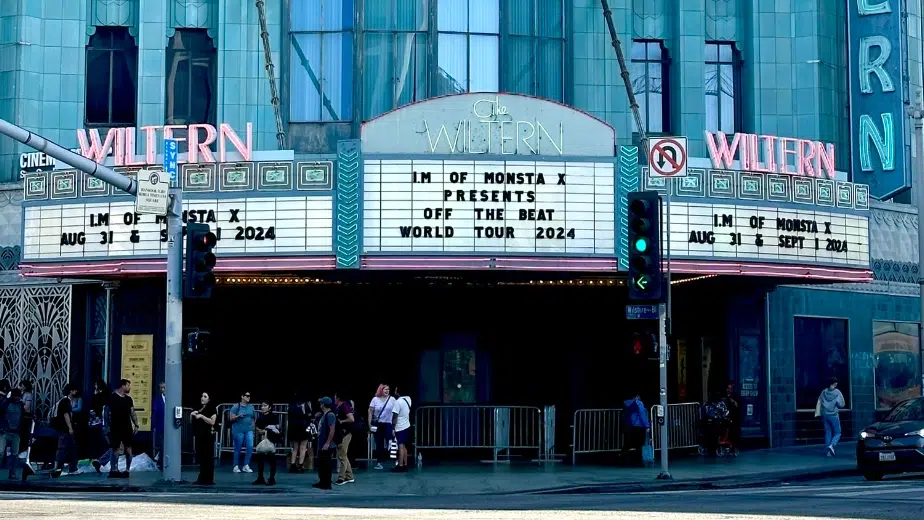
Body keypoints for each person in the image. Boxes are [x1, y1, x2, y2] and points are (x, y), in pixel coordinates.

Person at [108, 379, 139, 478]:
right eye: (128, 386)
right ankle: (114, 469)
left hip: (127, 427)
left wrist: (136, 424)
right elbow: (107, 412)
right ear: (123, 386)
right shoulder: (112, 397)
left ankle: (127, 469)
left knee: (128, 449)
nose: (129, 388)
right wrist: (106, 426)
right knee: (115, 449)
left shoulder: (128, 399)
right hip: (115, 426)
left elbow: (132, 412)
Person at [52, 383, 79, 477]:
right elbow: (66, 415)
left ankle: (72, 468)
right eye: (74, 390)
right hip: (65, 429)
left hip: (64, 428)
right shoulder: (66, 401)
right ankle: (59, 469)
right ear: (71, 391)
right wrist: (70, 427)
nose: (76, 392)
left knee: (72, 448)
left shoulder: (66, 401)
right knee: (63, 449)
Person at [190, 392, 217, 485]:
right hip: (199, 435)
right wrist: (192, 414)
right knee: (201, 457)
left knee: (208, 457)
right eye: (202, 396)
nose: (202, 398)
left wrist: (202, 416)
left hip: (207, 435)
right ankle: (201, 478)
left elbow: (212, 422)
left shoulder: (212, 408)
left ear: (209, 399)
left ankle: (209, 478)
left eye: (205, 396)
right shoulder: (198, 407)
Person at [253, 401, 282, 486]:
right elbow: (257, 426)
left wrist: (267, 430)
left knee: (271, 459)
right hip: (261, 438)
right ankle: (260, 477)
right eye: (262, 406)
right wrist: (260, 430)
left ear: (269, 407)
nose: (262, 407)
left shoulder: (273, 416)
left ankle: (272, 478)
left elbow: (277, 427)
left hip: (270, 438)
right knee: (260, 459)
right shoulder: (260, 416)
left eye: (265, 406)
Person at [368, 384, 395, 470]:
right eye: (385, 389)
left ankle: (394, 460)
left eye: (388, 389)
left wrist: (395, 425)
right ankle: (379, 462)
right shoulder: (375, 399)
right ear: (380, 390)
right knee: (379, 443)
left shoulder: (392, 399)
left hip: (388, 423)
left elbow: (396, 412)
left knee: (390, 442)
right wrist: (369, 423)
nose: (387, 391)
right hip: (378, 424)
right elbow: (370, 411)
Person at [0, 388, 25, 480]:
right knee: (1, 453)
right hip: (6, 431)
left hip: (15, 432)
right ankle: (12, 473)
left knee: (14, 454)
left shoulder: (19, 404)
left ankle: (13, 473)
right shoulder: (6, 403)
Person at [817, 377, 846, 457]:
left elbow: (820, 402)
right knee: (838, 432)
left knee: (828, 433)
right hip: (834, 415)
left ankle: (828, 453)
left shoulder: (824, 392)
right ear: (835, 383)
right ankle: (832, 445)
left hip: (825, 415)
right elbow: (842, 404)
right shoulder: (837, 392)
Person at [229, 391, 256, 473]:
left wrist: (253, 428)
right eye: (247, 396)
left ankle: (246, 465)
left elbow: (253, 418)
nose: (248, 397)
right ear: (242, 396)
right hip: (238, 430)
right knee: (238, 447)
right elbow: (231, 418)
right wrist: (238, 416)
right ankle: (236, 465)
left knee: (250, 446)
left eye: (249, 396)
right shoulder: (236, 406)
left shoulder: (251, 407)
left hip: (248, 429)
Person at [313, 397, 337, 490]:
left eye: (321, 403)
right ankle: (322, 481)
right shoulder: (324, 415)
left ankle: (326, 483)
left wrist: (327, 443)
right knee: (322, 464)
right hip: (321, 443)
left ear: (323, 405)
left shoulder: (330, 415)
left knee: (326, 465)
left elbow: (332, 429)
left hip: (327, 445)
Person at [622, 392, 650, 466]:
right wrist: (647, 425)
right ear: (637, 396)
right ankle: (638, 461)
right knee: (639, 444)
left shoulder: (626, 403)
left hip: (627, 425)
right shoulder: (639, 403)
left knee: (627, 443)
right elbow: (642, 415)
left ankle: (624, 460)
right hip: (637, 425)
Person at [89, 379, 110, 472]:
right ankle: (101, 460)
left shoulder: (101, 395)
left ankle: (99, 459)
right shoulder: (101, 395)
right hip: (99, 419)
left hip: (99, 419)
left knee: (102, 439)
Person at [334, 393, 355, 485]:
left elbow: (351, 419)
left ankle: (341, 477)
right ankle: (350, 476)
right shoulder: (338, 407)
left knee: (342, 455)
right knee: (343, 455)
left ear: (338, 398)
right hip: (340, 434)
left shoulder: (345, 406)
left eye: (335, 397)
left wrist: (342, 421)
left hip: (345, 434)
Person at [287, 394, 311, 473]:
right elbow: (308, 415)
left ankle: (293, 464)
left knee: (295, 447)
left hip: (294, 428)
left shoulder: (291, 406)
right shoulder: (306, 405)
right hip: (304, 427)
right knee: (303, 447)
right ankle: (300, 465)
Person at [390, 387, 412, 473]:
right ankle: (405, 464)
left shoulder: (398, 402)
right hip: (407, 425)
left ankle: (400, 465)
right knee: (404, 446)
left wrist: (392, 427)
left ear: (398, 392)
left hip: (400, 426)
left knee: (400, 446)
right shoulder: (408, 399)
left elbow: (395, 417)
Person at [152, 382, 166, 469]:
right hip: (161, 426)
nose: (162, 389)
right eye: (161, 388)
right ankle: (161, 462)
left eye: (164, 388)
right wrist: (154, 426)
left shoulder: (173, 398)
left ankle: (159, 459)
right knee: (163, 444)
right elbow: (154, 413)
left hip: (170, 427)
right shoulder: (157, 400)